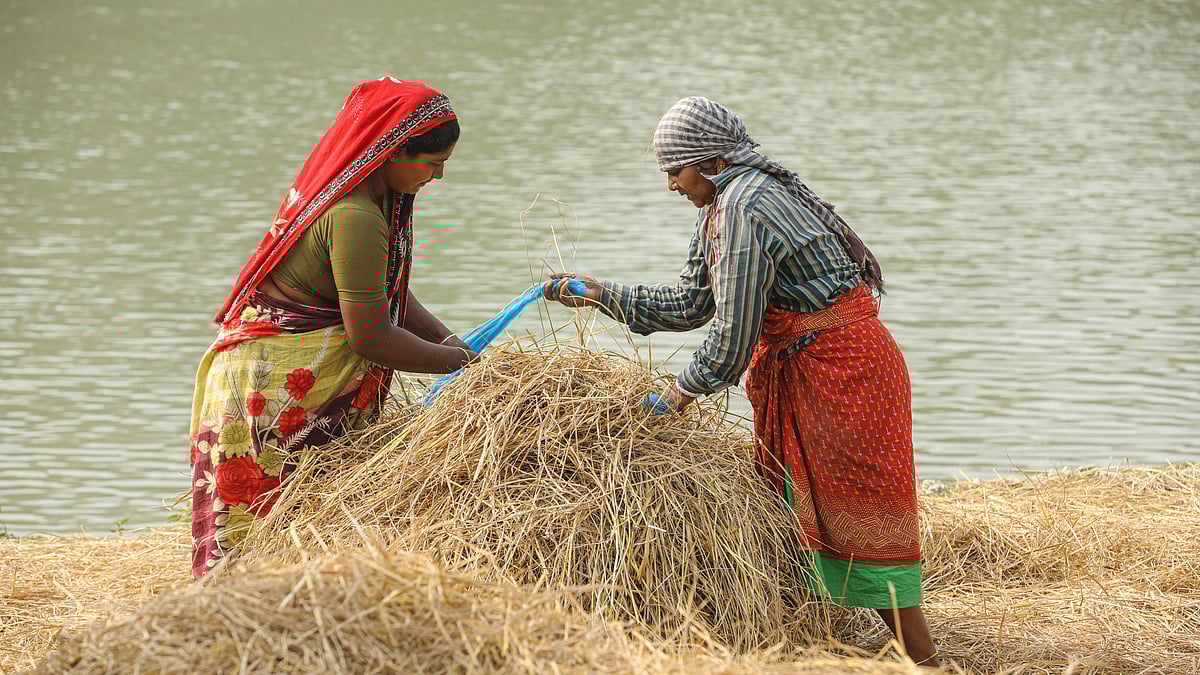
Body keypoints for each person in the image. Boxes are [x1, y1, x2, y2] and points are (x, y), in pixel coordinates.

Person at [544, 97, 940, 667]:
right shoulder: (724, 202)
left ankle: (924, 661)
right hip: (816, 364)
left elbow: (732, 338)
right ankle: (812, 640)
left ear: (710, 161)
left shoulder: (742, 207)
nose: (670, 185)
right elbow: (692, 303)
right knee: (792, 502)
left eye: (675, 171)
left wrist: (676, 394)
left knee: (863, 517)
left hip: (843, 370)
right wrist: (603, 295)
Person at [189, 77, 477, 579]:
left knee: (292, 549)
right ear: (392, 150)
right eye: (433, 163)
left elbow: (386, 291)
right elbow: (372, 336)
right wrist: (463, 365)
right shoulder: (354, 215)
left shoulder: (367, 196)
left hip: (261, 380)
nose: (439, 176)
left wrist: (452, 343)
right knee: (266, 554)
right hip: (272, 393)